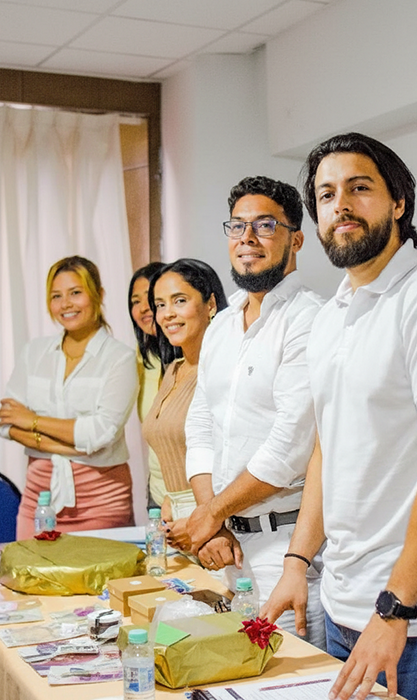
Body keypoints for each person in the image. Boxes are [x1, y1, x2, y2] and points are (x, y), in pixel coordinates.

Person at [262, 133, 417, 700]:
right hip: (340, 605)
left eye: (359, 188)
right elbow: (328, 449)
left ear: (398, 203)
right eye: (326, 195)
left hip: (414, 621)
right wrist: (297, 562)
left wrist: (396, 607)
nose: (340, 204)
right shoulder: (332, 314)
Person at [167, 176, 326, 649]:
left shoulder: (310, 318)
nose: (247, 238)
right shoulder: (221, 325)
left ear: (296, 239)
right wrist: (213, 521)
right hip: (226, 546)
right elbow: (201, 426)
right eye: (237, 226)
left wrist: (211, 513)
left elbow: (290, 446)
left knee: (289, 676)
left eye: (265, 225)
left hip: (288, 548)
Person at [0, 255, 138, 538]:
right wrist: (74, 445)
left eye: (75, 293)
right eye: (56, 296)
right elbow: (5, 422)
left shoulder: (119, 358)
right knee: (29, 567)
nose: (65, 304)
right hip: (38, 499)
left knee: (97, 569)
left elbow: (101, 433)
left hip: (102, 502)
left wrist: (32, 421)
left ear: (98, 295)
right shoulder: (34, 352)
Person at [141, 259, 228, 522]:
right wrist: (172, 500)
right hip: (173, 515)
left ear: (210, 304)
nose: (167, 313)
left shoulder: (224, 369)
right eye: (160, 305)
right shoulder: (172, 370)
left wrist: (202, 514)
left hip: (216, 512)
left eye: (179, 301)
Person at [128, 262, 166, 508]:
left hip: (198, 494)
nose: (143, 307)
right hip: (158, 492)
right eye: (135, 301)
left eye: (150, 296)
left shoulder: (199, 354)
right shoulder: (142, 358)